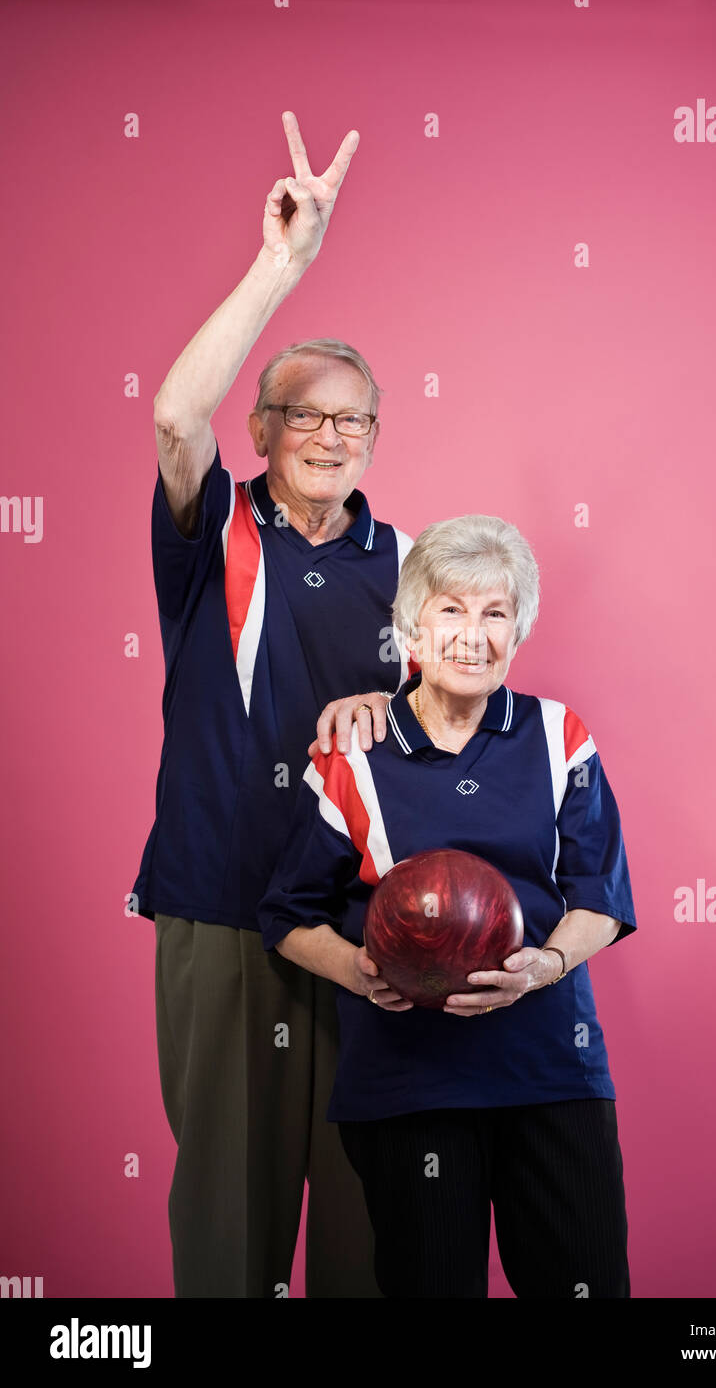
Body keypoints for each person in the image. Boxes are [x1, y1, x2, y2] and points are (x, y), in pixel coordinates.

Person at [130, 111, 412, 1297]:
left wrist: (382, 716)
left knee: (367, 1221)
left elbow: (446, 724)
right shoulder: (214, 530)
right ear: (263, 430)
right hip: (221, 906)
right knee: (231, 1226)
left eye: (355, 419)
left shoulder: (407, 556)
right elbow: (170, 416)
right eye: (306, 413)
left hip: (357, 923)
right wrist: (281, 265)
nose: (332, 436)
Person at [258, 514, 638, 1298]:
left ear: (518, 629)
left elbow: (600, 895)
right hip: (409, 1086)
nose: (473, 635)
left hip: (549, 1072)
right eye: (451, 611)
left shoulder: (558, 734)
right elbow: (289, 913)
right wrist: (360, 973)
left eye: (495, 612)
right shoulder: (352, 755)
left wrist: (546, 966)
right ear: (412, 629)